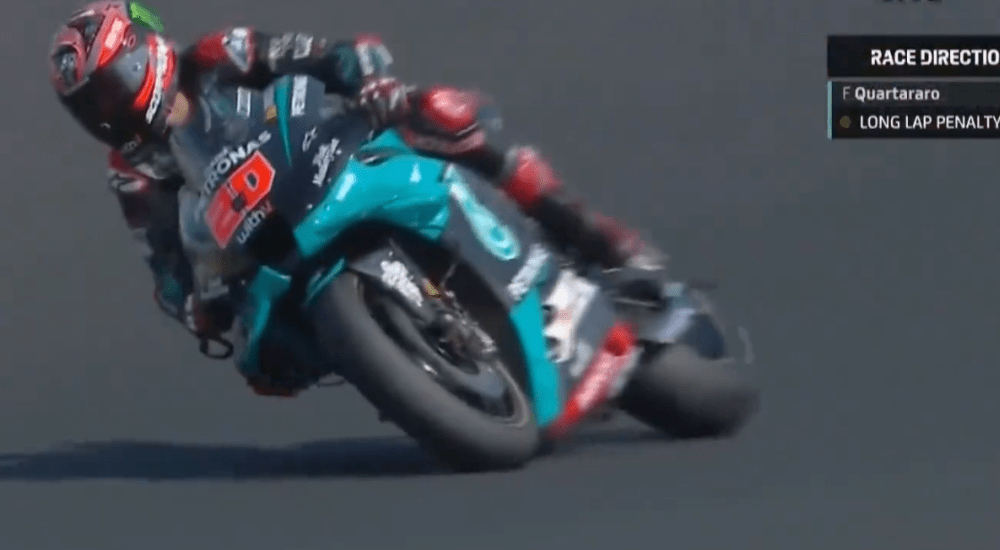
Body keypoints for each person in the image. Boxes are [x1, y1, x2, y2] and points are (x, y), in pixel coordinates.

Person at [48, 2, 666, 382]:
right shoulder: (131, 170)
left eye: (111, 87)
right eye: (89, 107)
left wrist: (368, 78)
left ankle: (589, 233)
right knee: (266, 364)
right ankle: (401, 363)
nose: (106, 112)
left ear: (147, 55)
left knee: (436, 111)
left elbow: (321, 55)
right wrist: (193, 308)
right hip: (264, 249)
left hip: (327, 153)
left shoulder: (218, 57)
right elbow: (163, 262)